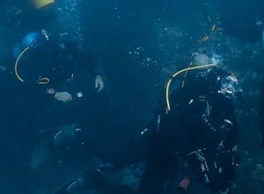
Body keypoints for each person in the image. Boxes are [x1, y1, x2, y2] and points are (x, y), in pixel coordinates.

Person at [62, 65, 240, 194]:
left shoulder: (227, 118)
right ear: (218, 81)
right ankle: (76, 134)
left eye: (234, 86)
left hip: (170, 154)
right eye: (227, 83)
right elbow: (169, 121)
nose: (229, 90)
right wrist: (194, 155)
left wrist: (226, 182)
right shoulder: (199, 96)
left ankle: (96, 182)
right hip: (155, 138)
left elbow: (229, 150)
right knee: (115, 158)